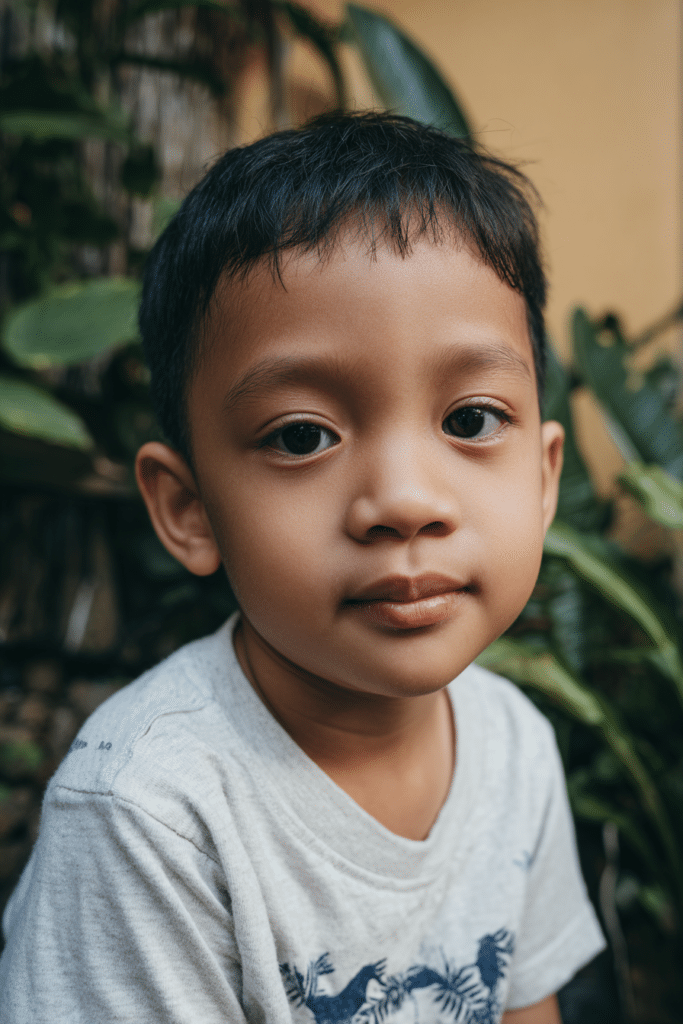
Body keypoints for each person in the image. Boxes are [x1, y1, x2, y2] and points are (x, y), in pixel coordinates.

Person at [0, 111, 604, 1024]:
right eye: (300, 436)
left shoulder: (514, 745)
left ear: (544, 476)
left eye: (471, 419)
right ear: (189, 509)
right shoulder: (151, 815)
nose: (405, 499)